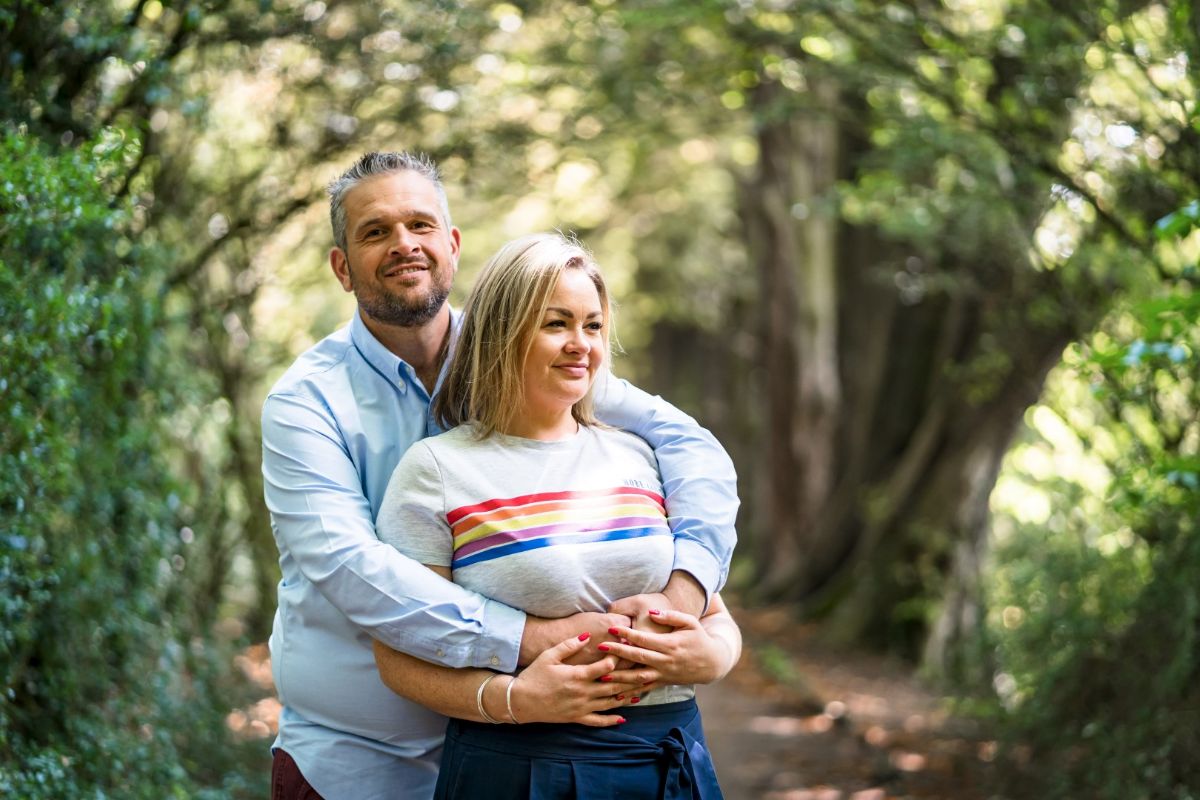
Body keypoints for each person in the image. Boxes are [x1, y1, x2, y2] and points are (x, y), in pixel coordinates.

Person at [260, 151, 739, 799]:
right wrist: (530, 642)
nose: (404, 244)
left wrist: (683, 601)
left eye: (421, 225)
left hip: (517, 748)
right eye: (375, 231)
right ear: (342, 267)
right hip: (360, 759)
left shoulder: (522, 348)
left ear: (453, 246)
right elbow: (350, 567)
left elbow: (689, 446)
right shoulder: (307, 403)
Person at [372, 232, 739, 799]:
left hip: (670, 757)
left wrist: (711, 657)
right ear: (503, 332)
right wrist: (515, 700)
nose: (580, 345)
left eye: (593, 326)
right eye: (556, 324)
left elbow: (714, 615)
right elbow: (397, 655)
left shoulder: (638, 455)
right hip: (521, 764)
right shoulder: (437, 470)